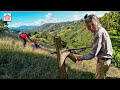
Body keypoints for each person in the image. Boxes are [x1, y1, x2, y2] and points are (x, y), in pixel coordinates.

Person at [75, 14, 113, 79]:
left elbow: (92, 54)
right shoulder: (101, 29)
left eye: (92, 25)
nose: (91, 28)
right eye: (89, 26)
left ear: (97, 22)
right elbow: (100, 43)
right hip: (106, 60)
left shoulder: (98, 33)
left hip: (103, 61)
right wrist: (93, 45)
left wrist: (81, 57)